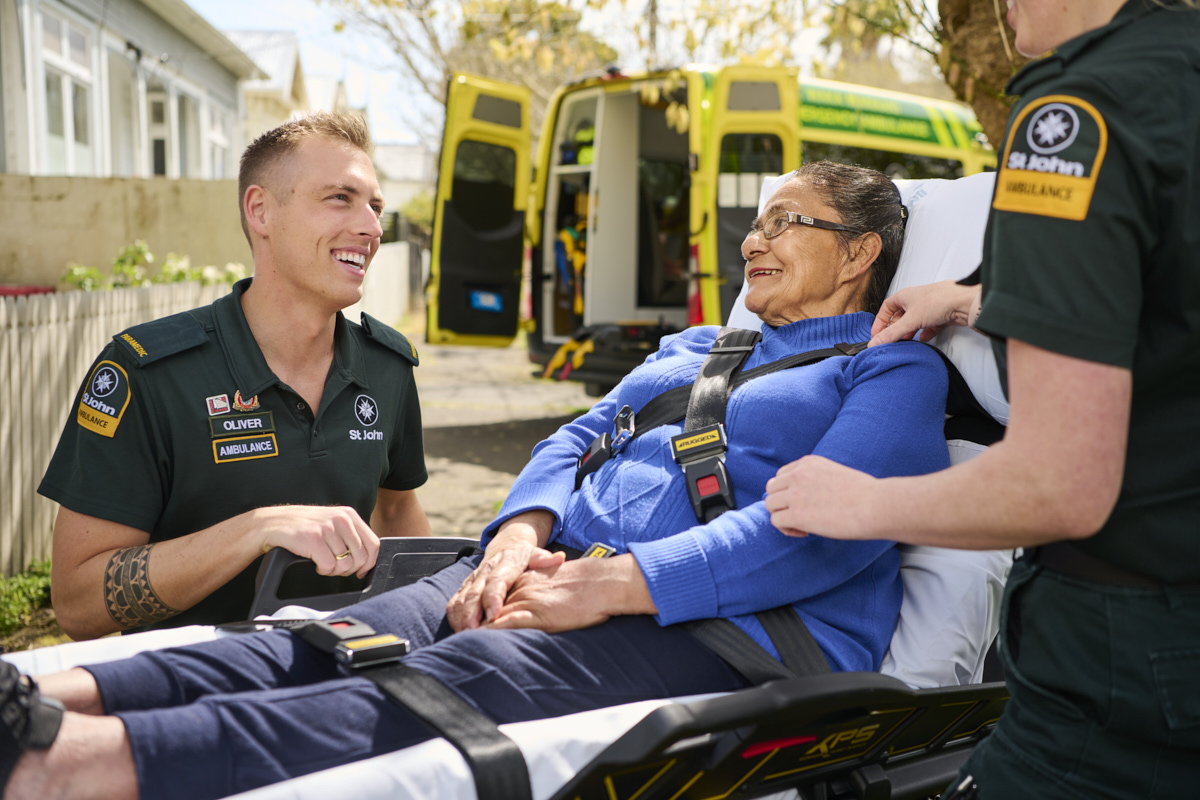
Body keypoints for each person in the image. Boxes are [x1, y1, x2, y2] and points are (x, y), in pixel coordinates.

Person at [0, 162, 951, 800]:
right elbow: (577, 435)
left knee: (461, 675)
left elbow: (827, 527)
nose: (754, 239)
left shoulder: (890, 371)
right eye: (757, 220)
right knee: (336, 636)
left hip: (720, 625)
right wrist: (517, 537)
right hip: (559, 570)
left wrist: (617, 583)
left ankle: (79, 767)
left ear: (862, 253)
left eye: (789, 222)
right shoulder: (696, 346)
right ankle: (52, 699)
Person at [764, 2, 1200, 797]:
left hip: (1128, 661)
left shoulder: (1076, 113)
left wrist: (858, 503)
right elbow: (1166, 290)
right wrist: (973, 298)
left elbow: (1058, 485)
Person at [38, 112, 433, 641]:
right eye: (340, 198)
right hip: (191, 690)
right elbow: (78, 604)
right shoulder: (147, 373)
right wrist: (257, 529)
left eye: (375, 206)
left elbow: (399, 508)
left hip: (346, 670)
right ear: (261, 210)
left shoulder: (387, 367)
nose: (371, 227)